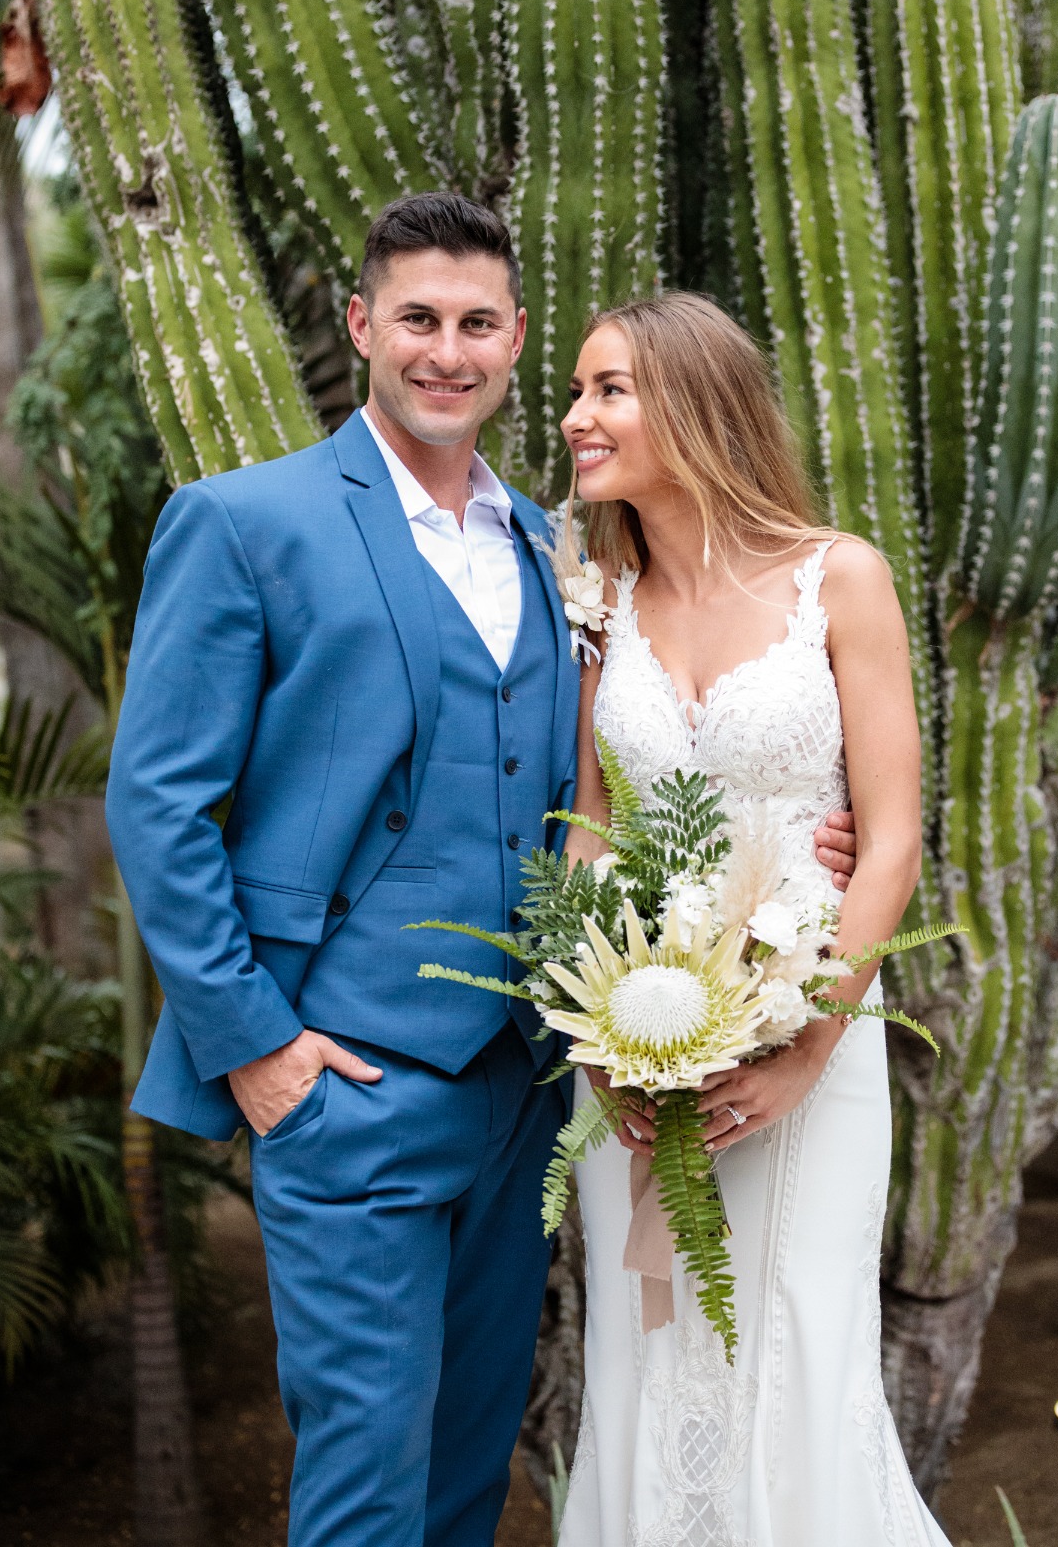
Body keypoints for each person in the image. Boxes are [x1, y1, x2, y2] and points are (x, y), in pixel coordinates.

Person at [106, 190, 860, 1547]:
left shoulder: (564, 548)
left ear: (513, 341)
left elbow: (615, 786)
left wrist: (789, 850)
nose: (446, 351)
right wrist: (258, 1051)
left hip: (524, 1101)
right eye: (417, 320)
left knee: (466, 1488)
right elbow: (158, 809)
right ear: (361, 327)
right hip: (345, 1088)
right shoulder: (244, 523)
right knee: (362, 1494)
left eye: (475, 324)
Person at [556, 291, 946, 1547]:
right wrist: (593, 1021)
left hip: (812, 1035)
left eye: (607, 390)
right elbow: (593, 830)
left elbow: (890, 840)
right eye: (577, 390)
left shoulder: (841, 578)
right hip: (638, 1051)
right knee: (647, 1359)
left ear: (692, 400)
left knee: (791, 1345)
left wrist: (807, 1047)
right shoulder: (601, 605)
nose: (575, 418)